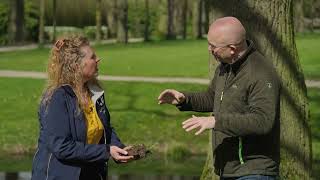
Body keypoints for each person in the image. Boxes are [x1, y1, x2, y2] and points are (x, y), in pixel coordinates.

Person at [158, 17, 280, 180]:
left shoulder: (260, 73)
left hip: (254, 171)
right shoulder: (225, 67)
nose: (209, 49)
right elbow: (212, 98)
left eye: (213, 46)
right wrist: (184, 99)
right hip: (229, 169)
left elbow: (262, 121)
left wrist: (216, 122)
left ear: (232, 49)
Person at [31, 35, 133, 180]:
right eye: (92, 57)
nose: (98, 59)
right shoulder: (57, 98)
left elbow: (105, 129)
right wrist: (106, 151)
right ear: (76, 65)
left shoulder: (94, 92)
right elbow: (62, 147)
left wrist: (119, 148)